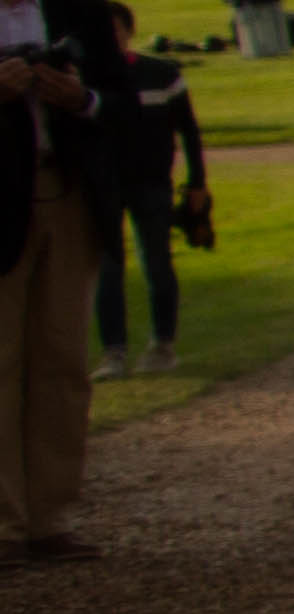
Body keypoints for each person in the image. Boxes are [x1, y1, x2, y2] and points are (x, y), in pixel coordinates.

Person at [0, 0, 147, 557]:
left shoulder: (77, 6)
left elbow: (125, 104)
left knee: (61, 361)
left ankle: (49, 519)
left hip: (66, 197)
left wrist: (80, 98)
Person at [86, 29, 204, 379]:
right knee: (107, 268)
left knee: (156, 261)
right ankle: (114, 353)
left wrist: (197, 181)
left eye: (115, 29)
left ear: (128, 32)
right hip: (103, 186)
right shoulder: (85, 77)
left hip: (152, 183)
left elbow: (189, 129)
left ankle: (162, 345)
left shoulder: (160, 73)